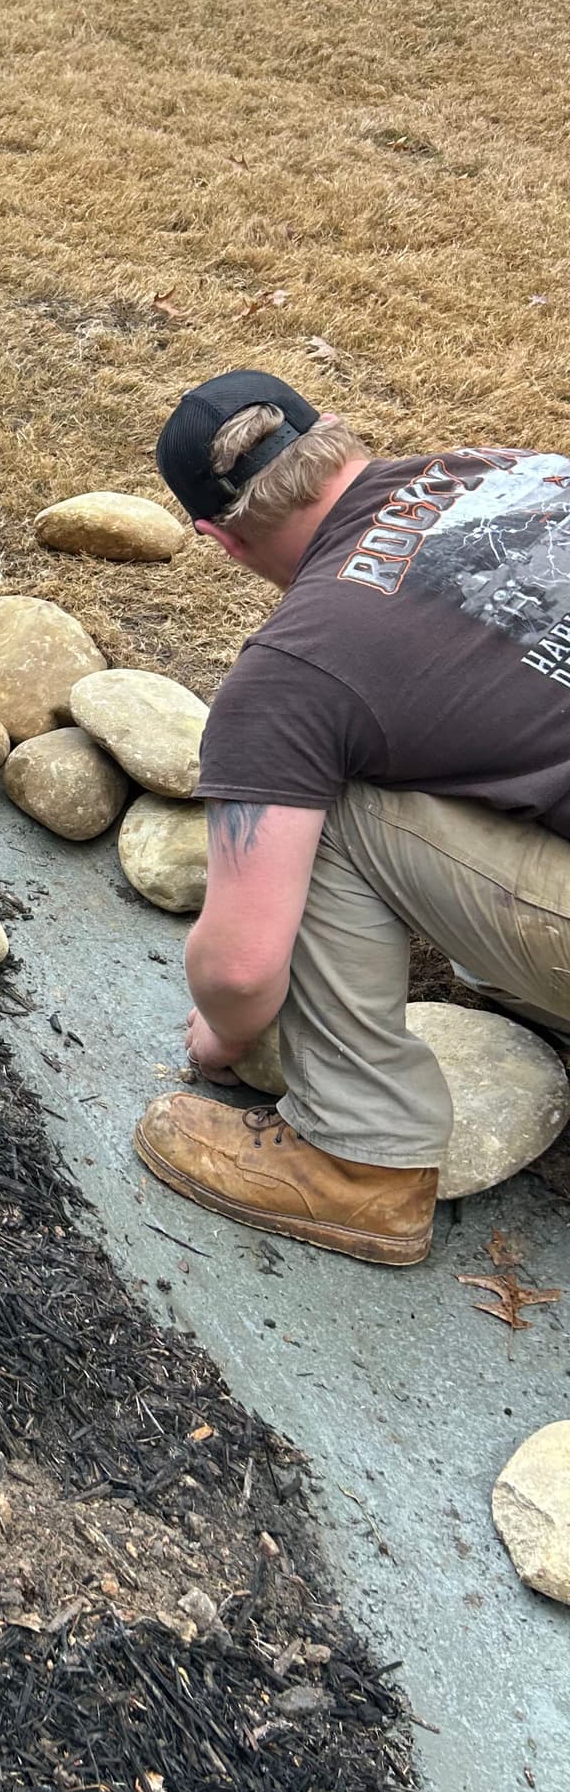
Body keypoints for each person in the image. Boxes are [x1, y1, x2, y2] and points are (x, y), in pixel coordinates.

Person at [134, 369, 570, 1267]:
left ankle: (356, 1157)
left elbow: (246, 967)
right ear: (335, 435)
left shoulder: (300, 669)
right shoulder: (516, 470)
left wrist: (224, 1031)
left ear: (218, 540)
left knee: (333, 805)